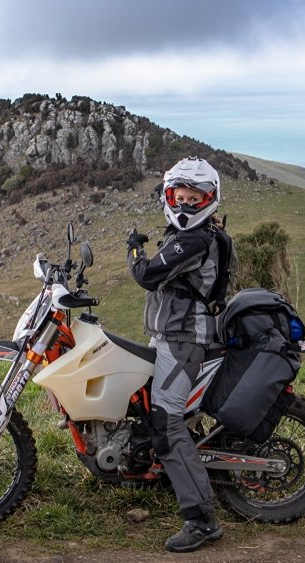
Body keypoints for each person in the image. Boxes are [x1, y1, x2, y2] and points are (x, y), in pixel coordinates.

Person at [126, 156, 226, 553]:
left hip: (184, 341)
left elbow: (147, 275)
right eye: (178, 197)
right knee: (149, 411)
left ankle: (202, 520)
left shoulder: (194, 240)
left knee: (166, 423)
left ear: (208, 200)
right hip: (169, 338)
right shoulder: (189, 235)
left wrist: (135, 249)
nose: (184, 205)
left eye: (193, 198)